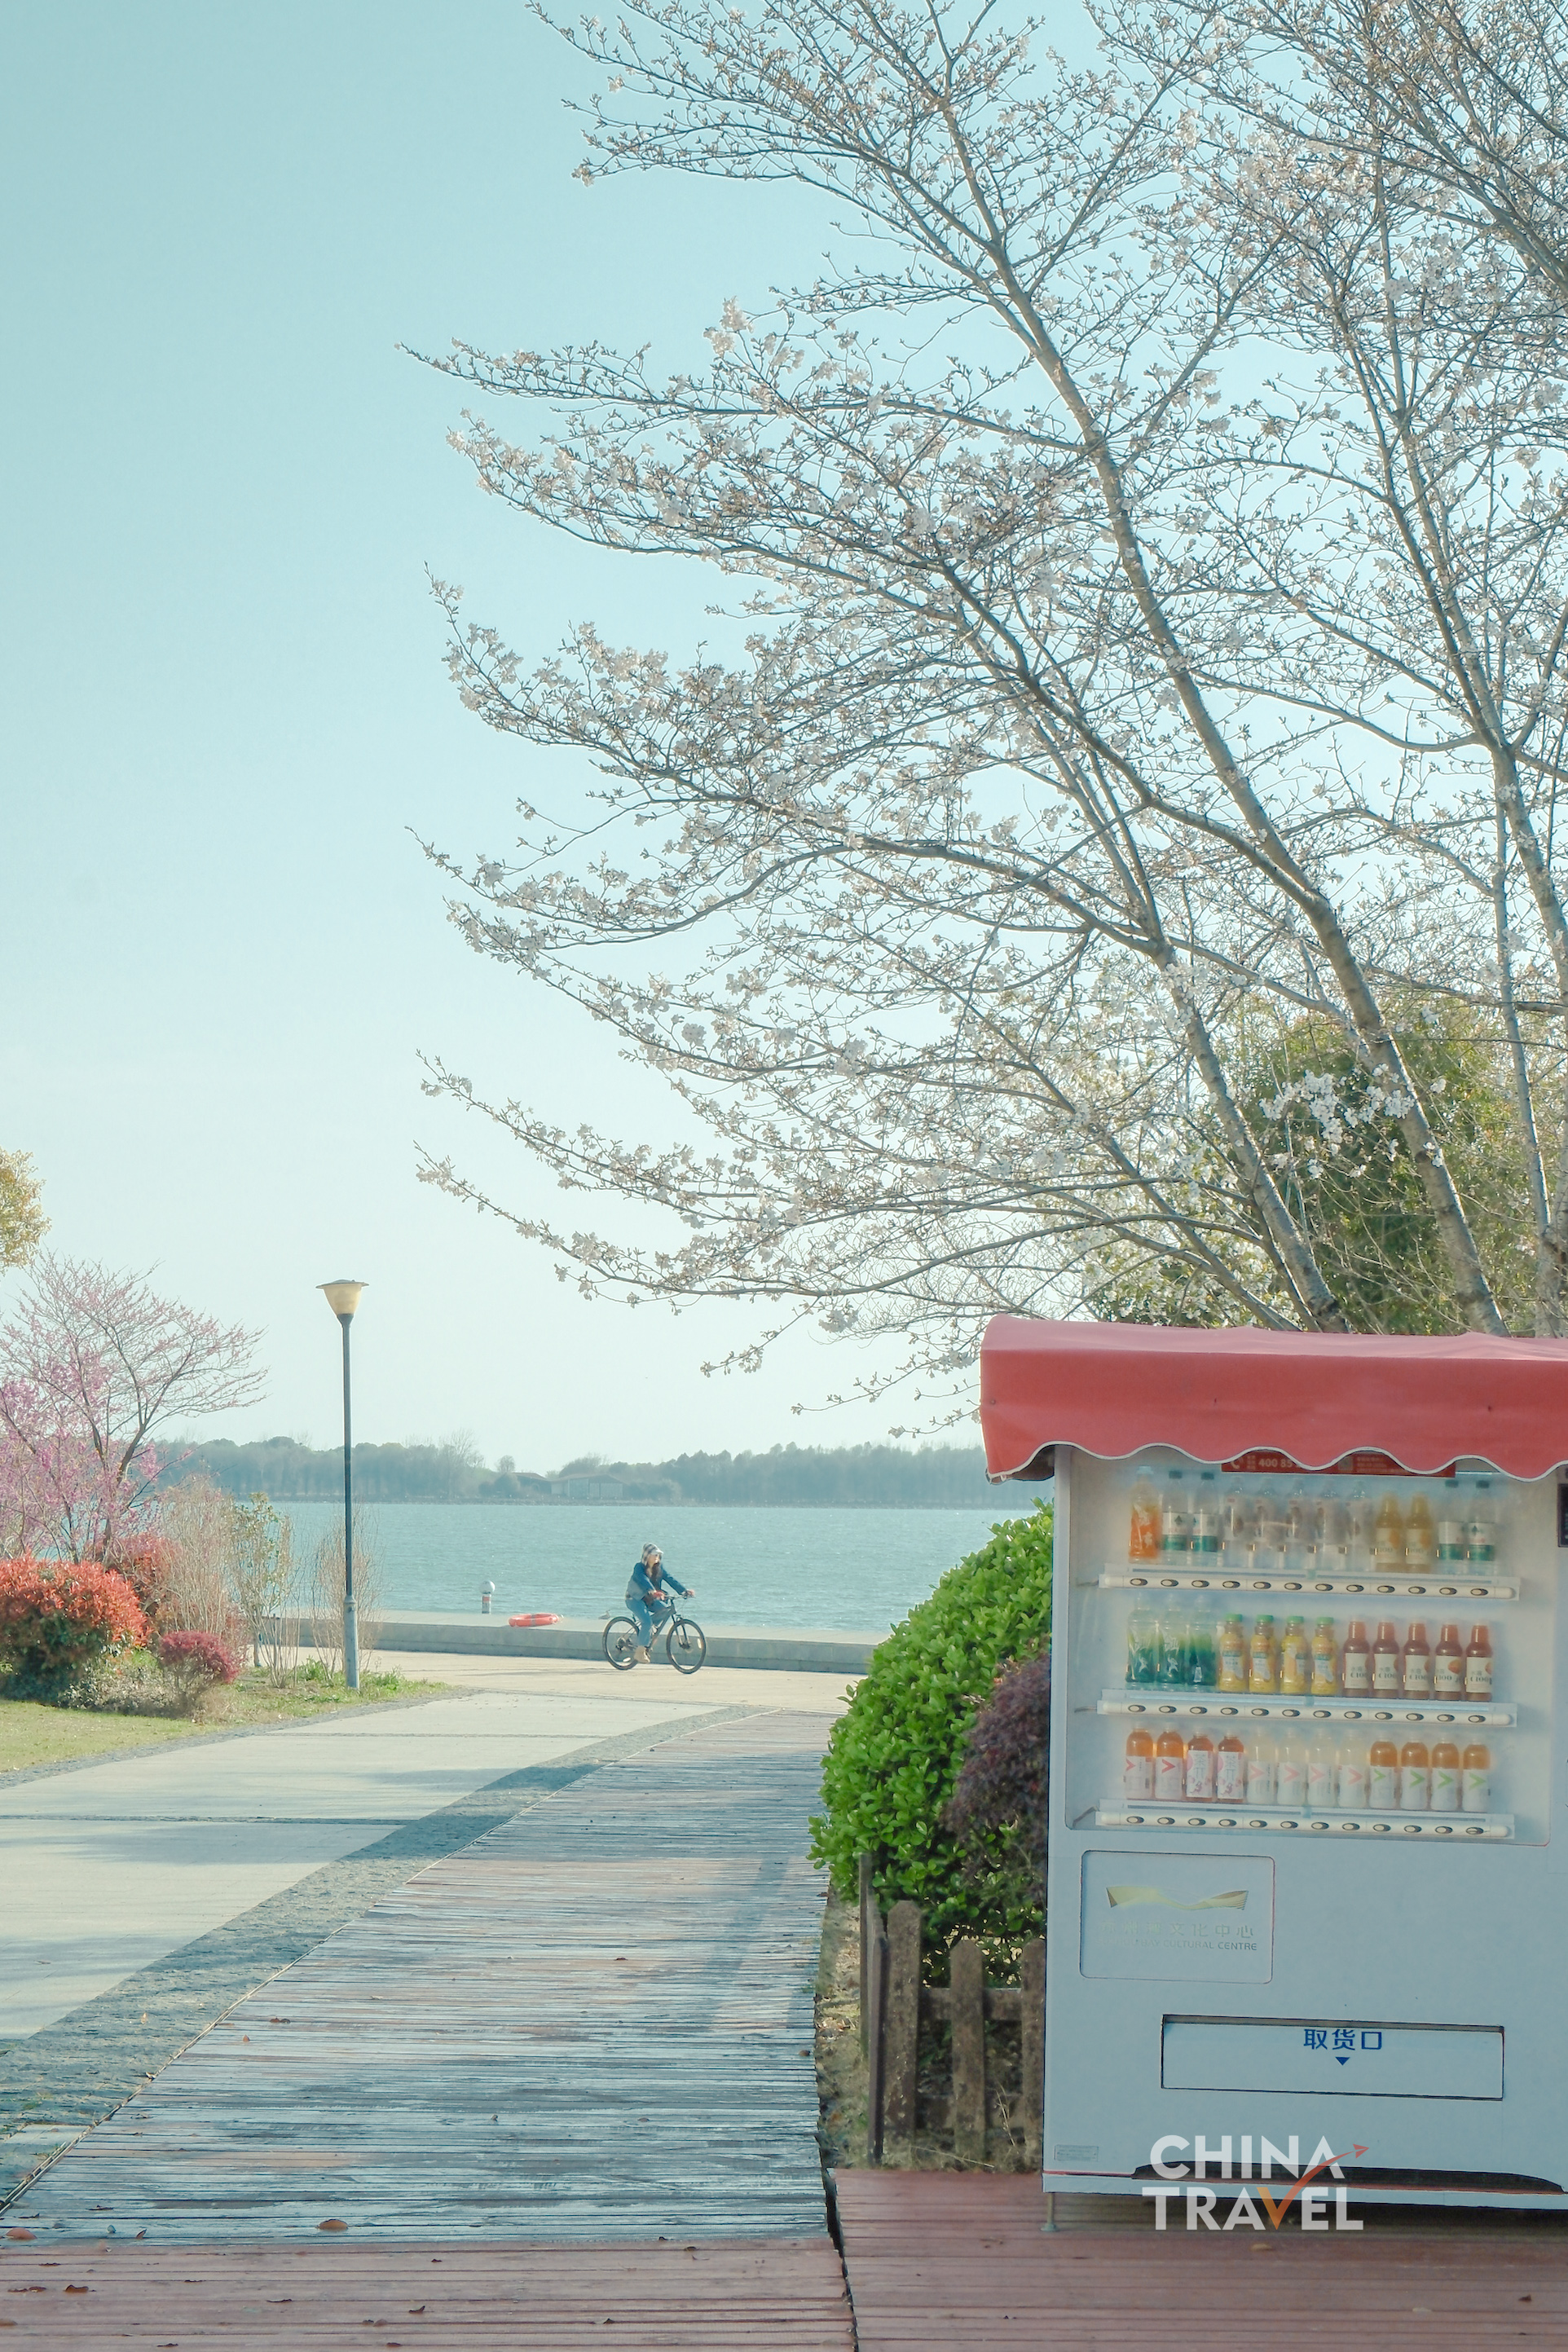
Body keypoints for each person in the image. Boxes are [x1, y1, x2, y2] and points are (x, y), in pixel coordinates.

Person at [626, 1542, 694, 1664]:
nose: (657, 1557)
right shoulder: (639, 1567)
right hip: (634, 1599)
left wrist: (684, 1591)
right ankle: (640, 1652)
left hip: (650, 1600)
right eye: (654, 1555)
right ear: (647, 1556)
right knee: (646, 1621)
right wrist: (653, 1591)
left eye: (658, 1555)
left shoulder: (659, 1568)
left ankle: (646, 1631)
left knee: (664, 1611)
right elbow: (644, 1580)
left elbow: (670, 1579)